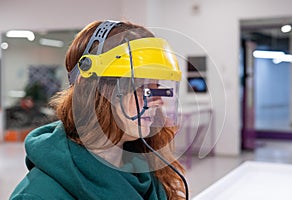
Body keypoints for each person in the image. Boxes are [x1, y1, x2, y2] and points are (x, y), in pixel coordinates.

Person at [10, 20, 187, 200]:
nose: (157, 101)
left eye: (156, 86)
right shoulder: (37, 195)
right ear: (90, 89)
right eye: (139, 85)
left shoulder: (150, 175)